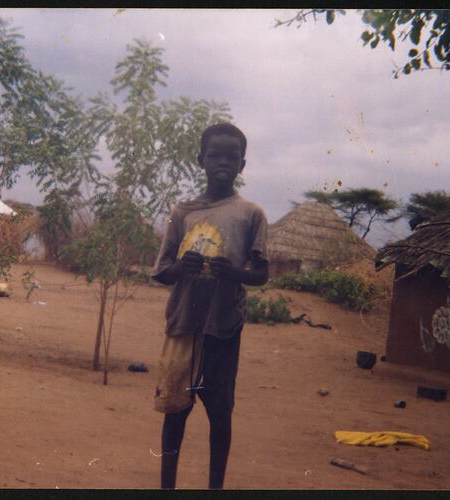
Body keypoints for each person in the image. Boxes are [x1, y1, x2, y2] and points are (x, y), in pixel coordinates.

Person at [151, 123, 268, 489]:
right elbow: (161, 272)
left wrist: (234, 273)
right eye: (215, 155)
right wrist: (180, 269)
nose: (223, 162)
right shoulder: (182, 211)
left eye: (231, 157)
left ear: (242, 164)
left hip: (224, 326)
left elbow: (261, 273)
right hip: (184, 324)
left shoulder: (251, 214)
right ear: (200, 159)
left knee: (220, 414)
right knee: (175, 412)